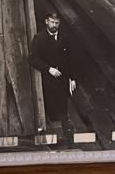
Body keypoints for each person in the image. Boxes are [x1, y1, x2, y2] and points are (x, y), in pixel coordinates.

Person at [29, 12, 77, 140]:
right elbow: (32, 58)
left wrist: (72, 78)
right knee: (50, 106)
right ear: (46, 22)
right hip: (47, 79)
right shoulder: (39, 38)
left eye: (56, 23)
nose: (54, 25)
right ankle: (51, 138)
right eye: (51, 22)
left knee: (63, 106)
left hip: (62, 79)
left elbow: (71, 59)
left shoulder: (64, 38)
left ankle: (65, 137)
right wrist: (48, 69)